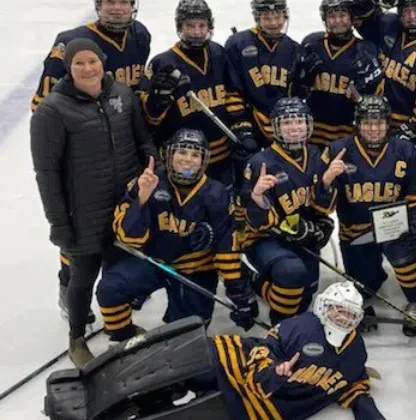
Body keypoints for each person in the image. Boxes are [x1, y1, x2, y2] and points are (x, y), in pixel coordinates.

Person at [44, 281, 386, 420]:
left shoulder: (355, 353)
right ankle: (86, 387)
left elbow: (354, 386)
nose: (342, 319)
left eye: (350, 314)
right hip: (230, 362)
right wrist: (274, 373)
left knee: (174, 412)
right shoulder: (301, 327)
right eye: (337, 310)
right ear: (324, 308)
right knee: (161, 370)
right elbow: (265, 351)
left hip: (251, 409)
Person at [30, 38, 157, 367]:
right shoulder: (52, 110)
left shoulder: (123, 96)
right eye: (79, 63)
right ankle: (76, 337)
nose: (87, 69)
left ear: (103, 62)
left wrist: (151, 166)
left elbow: (142, 140)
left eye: (92, 61)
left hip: (123, 204)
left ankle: (120, 325)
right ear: (68, 68)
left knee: (118, 271)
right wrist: (58, 222)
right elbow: (46, 173)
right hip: (83, 211)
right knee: (83, 277)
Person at [31, 0, 152, 316]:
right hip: (82, 152)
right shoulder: (70, 42)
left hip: (122, 142)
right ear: (98, 4)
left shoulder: (140, 35)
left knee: (124, 220)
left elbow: (132, 94)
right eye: (109, 0)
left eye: (123, 0)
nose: (116, 7)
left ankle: (118, 289)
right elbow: (44, 105)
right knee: (79, 231)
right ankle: (68, 287)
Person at [98, 128, 258, 343]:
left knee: (186, 335)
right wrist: (142, 199)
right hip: (154, 262)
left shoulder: (217, 193)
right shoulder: (147, 182)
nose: (187, 160)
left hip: (196, 270)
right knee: (110, 289)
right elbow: (128, 238)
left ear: (204, 160)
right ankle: (125, 337)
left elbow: (227, 247)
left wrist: (237, 291)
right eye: (181, 152)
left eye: (195, 155)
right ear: (169, 155)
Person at [318, 96, 416, 336]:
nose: (373, 128)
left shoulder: (407, 151)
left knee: (402, 248)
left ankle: (415, 301)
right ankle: (373, 274)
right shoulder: (337, 151)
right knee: (365, 286)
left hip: (394, 228)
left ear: (388, 123)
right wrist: (326, 181)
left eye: (379, 122)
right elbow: (323, 207)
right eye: (367, 122)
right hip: (355, 233)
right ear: (357, 124)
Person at [141, 0, 255, 187]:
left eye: (202, 26)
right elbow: (151, 119)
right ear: (180, 26)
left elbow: (232, 95)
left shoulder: (218, 54)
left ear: (210, 26)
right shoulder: (162, 63)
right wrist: (158, 100)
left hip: (221, 158)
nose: (196, 32)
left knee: (222, 199)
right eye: (190, 26)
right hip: (183, 160)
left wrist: (243, 131)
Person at [239, 97, 334, 324]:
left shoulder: (316, 155)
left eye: (299, 121)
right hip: (266, 238)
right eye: (287, 122)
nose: (294, 128)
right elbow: (254, 223)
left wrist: (322, 219)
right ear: (276, 127)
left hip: (302, 236)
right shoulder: (259, 163)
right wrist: (257, 197)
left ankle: (259, 283)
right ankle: (281, 325)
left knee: (306, 292)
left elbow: (323, 207)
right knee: (292, 274)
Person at [350, 0, 416, 138]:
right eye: (407, 11)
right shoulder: (390, 27)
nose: (412, 16)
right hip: (372, 119)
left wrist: (410, 128)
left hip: (405, 128)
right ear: (400, 15)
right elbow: (356, 13)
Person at [295, 0, 385, 147]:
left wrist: (362, 93)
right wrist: (303, 78)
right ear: (325, 19)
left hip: (349, 138)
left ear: (352, 18)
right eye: (332, 16)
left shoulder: (367, 50)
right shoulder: (311, 45)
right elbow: (296, 91)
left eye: (343, 15)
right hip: (310, 136)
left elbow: (377, 99)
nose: (338, 21)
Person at [224, 0, 302, 146]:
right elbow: (231, 89)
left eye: (277, 17)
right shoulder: (238, 44)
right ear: (257, 18)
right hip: (249, 125)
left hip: (283, 127)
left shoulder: (294, 49)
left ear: (285, 16)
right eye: (267, 18)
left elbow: (295, 94)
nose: (273, 23)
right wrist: (242, 127)